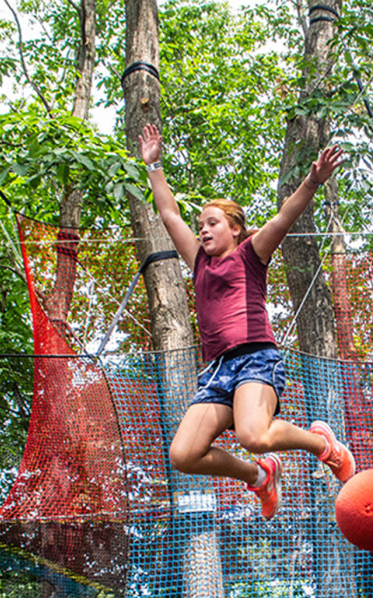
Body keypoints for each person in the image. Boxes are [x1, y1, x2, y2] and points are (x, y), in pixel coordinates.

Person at [138, 123, 355, 520]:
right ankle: (259, 476)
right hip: (217, 371)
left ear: (235, 229)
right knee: (183, 454)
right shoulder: (199, 262)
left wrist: (312, 180)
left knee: (253, 434)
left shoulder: (251, 255)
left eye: (213, 223)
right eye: (200, 225)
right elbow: (168, 214)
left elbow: (284, 218)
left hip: (255, 358)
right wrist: (154, 166)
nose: (203, 230)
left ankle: (323, 444)